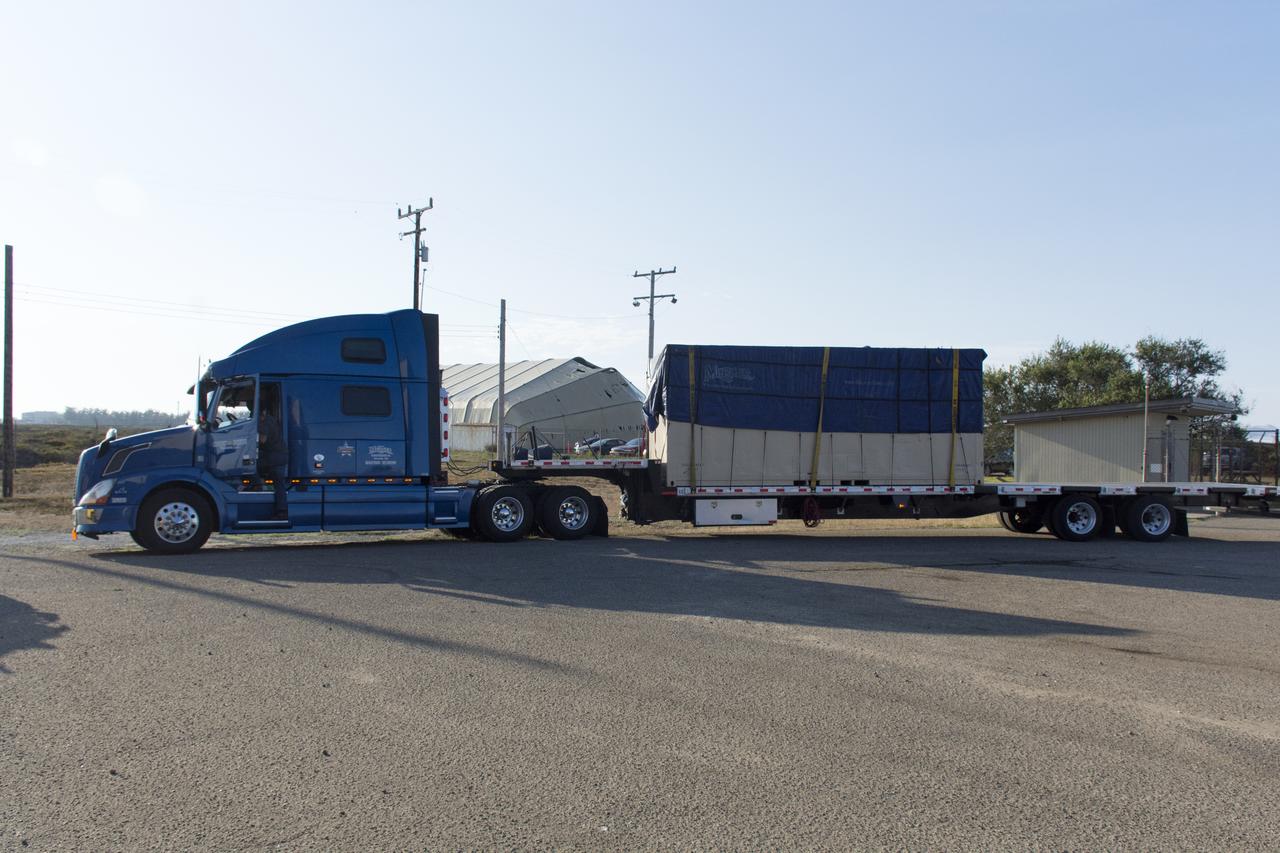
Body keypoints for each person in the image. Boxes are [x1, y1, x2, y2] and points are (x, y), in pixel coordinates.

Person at [257, 385, 288, 519]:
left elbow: (262, 440)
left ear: (262, 412)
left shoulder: (266, 422)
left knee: (252, 466)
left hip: (275, 458)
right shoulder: (270, 419)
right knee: (279, 483)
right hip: (277, 456)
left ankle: (258, 485)